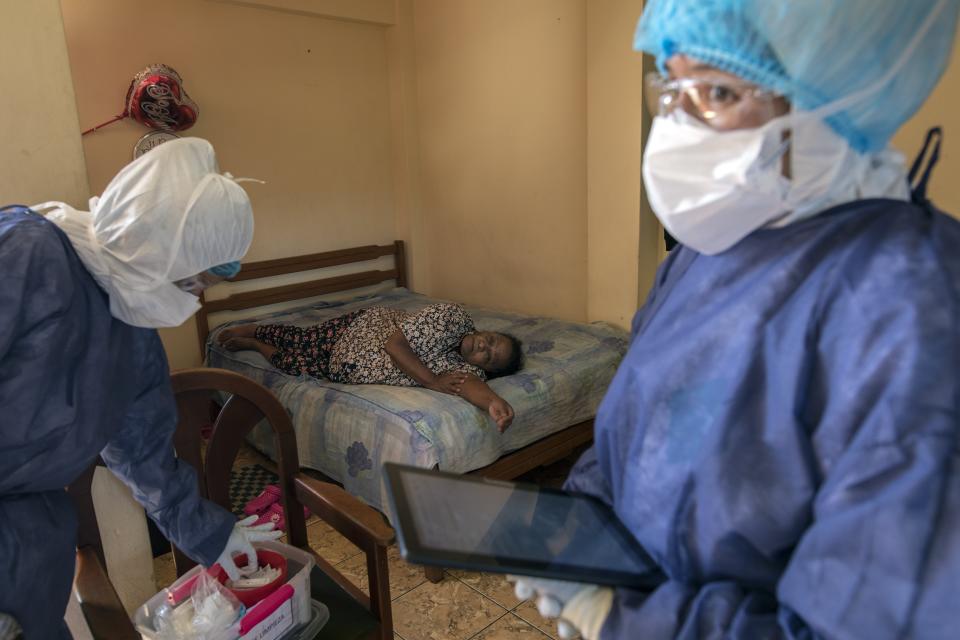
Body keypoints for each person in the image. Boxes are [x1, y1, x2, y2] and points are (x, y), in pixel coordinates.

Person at [511, 0, 960, 638]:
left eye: (718, 91)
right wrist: (578, 524)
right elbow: (634, 425)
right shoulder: (707, 249)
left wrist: (627, 618)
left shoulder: (915, 308)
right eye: (669, 86)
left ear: (839, 98)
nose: (676, 125)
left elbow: (877, 614)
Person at [0, 138, 281, 639]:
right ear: (160, 247)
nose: (198, 297)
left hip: (31, 545)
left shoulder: (134, 337)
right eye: (196, 282)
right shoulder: (26, 253)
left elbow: (146, 456)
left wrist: (212, 532)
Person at [218, 303, 525, 431]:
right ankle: (256, 331)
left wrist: (495, 402)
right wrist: (430, 380)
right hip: (360, 330)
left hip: (343, 366)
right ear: (486, 331)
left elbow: (470, 386)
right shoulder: (452, 317)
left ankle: (255, 346)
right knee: (300, 338)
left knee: (291, 363)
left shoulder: (465, 370)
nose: (485, 347)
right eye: (491, 340)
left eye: (490, 357)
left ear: (486, 369)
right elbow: (395, 345)